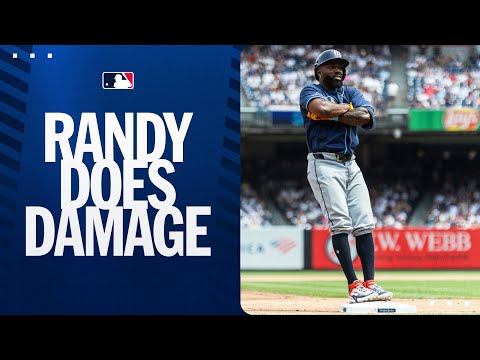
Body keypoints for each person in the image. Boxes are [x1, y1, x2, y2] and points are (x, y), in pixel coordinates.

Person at [299, 49, 393, 304]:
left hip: (351, 164)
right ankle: (354, 286)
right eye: (331, 65)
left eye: (341, 65)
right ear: (319, 71)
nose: (338, 69)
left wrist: (334, 112)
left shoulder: (351, 92)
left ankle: (370, 284)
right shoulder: (310, 91)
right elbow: (320, 107)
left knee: (364, 222)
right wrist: (344, 112)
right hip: (324, 163)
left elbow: (365, 116)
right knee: (340, 222)